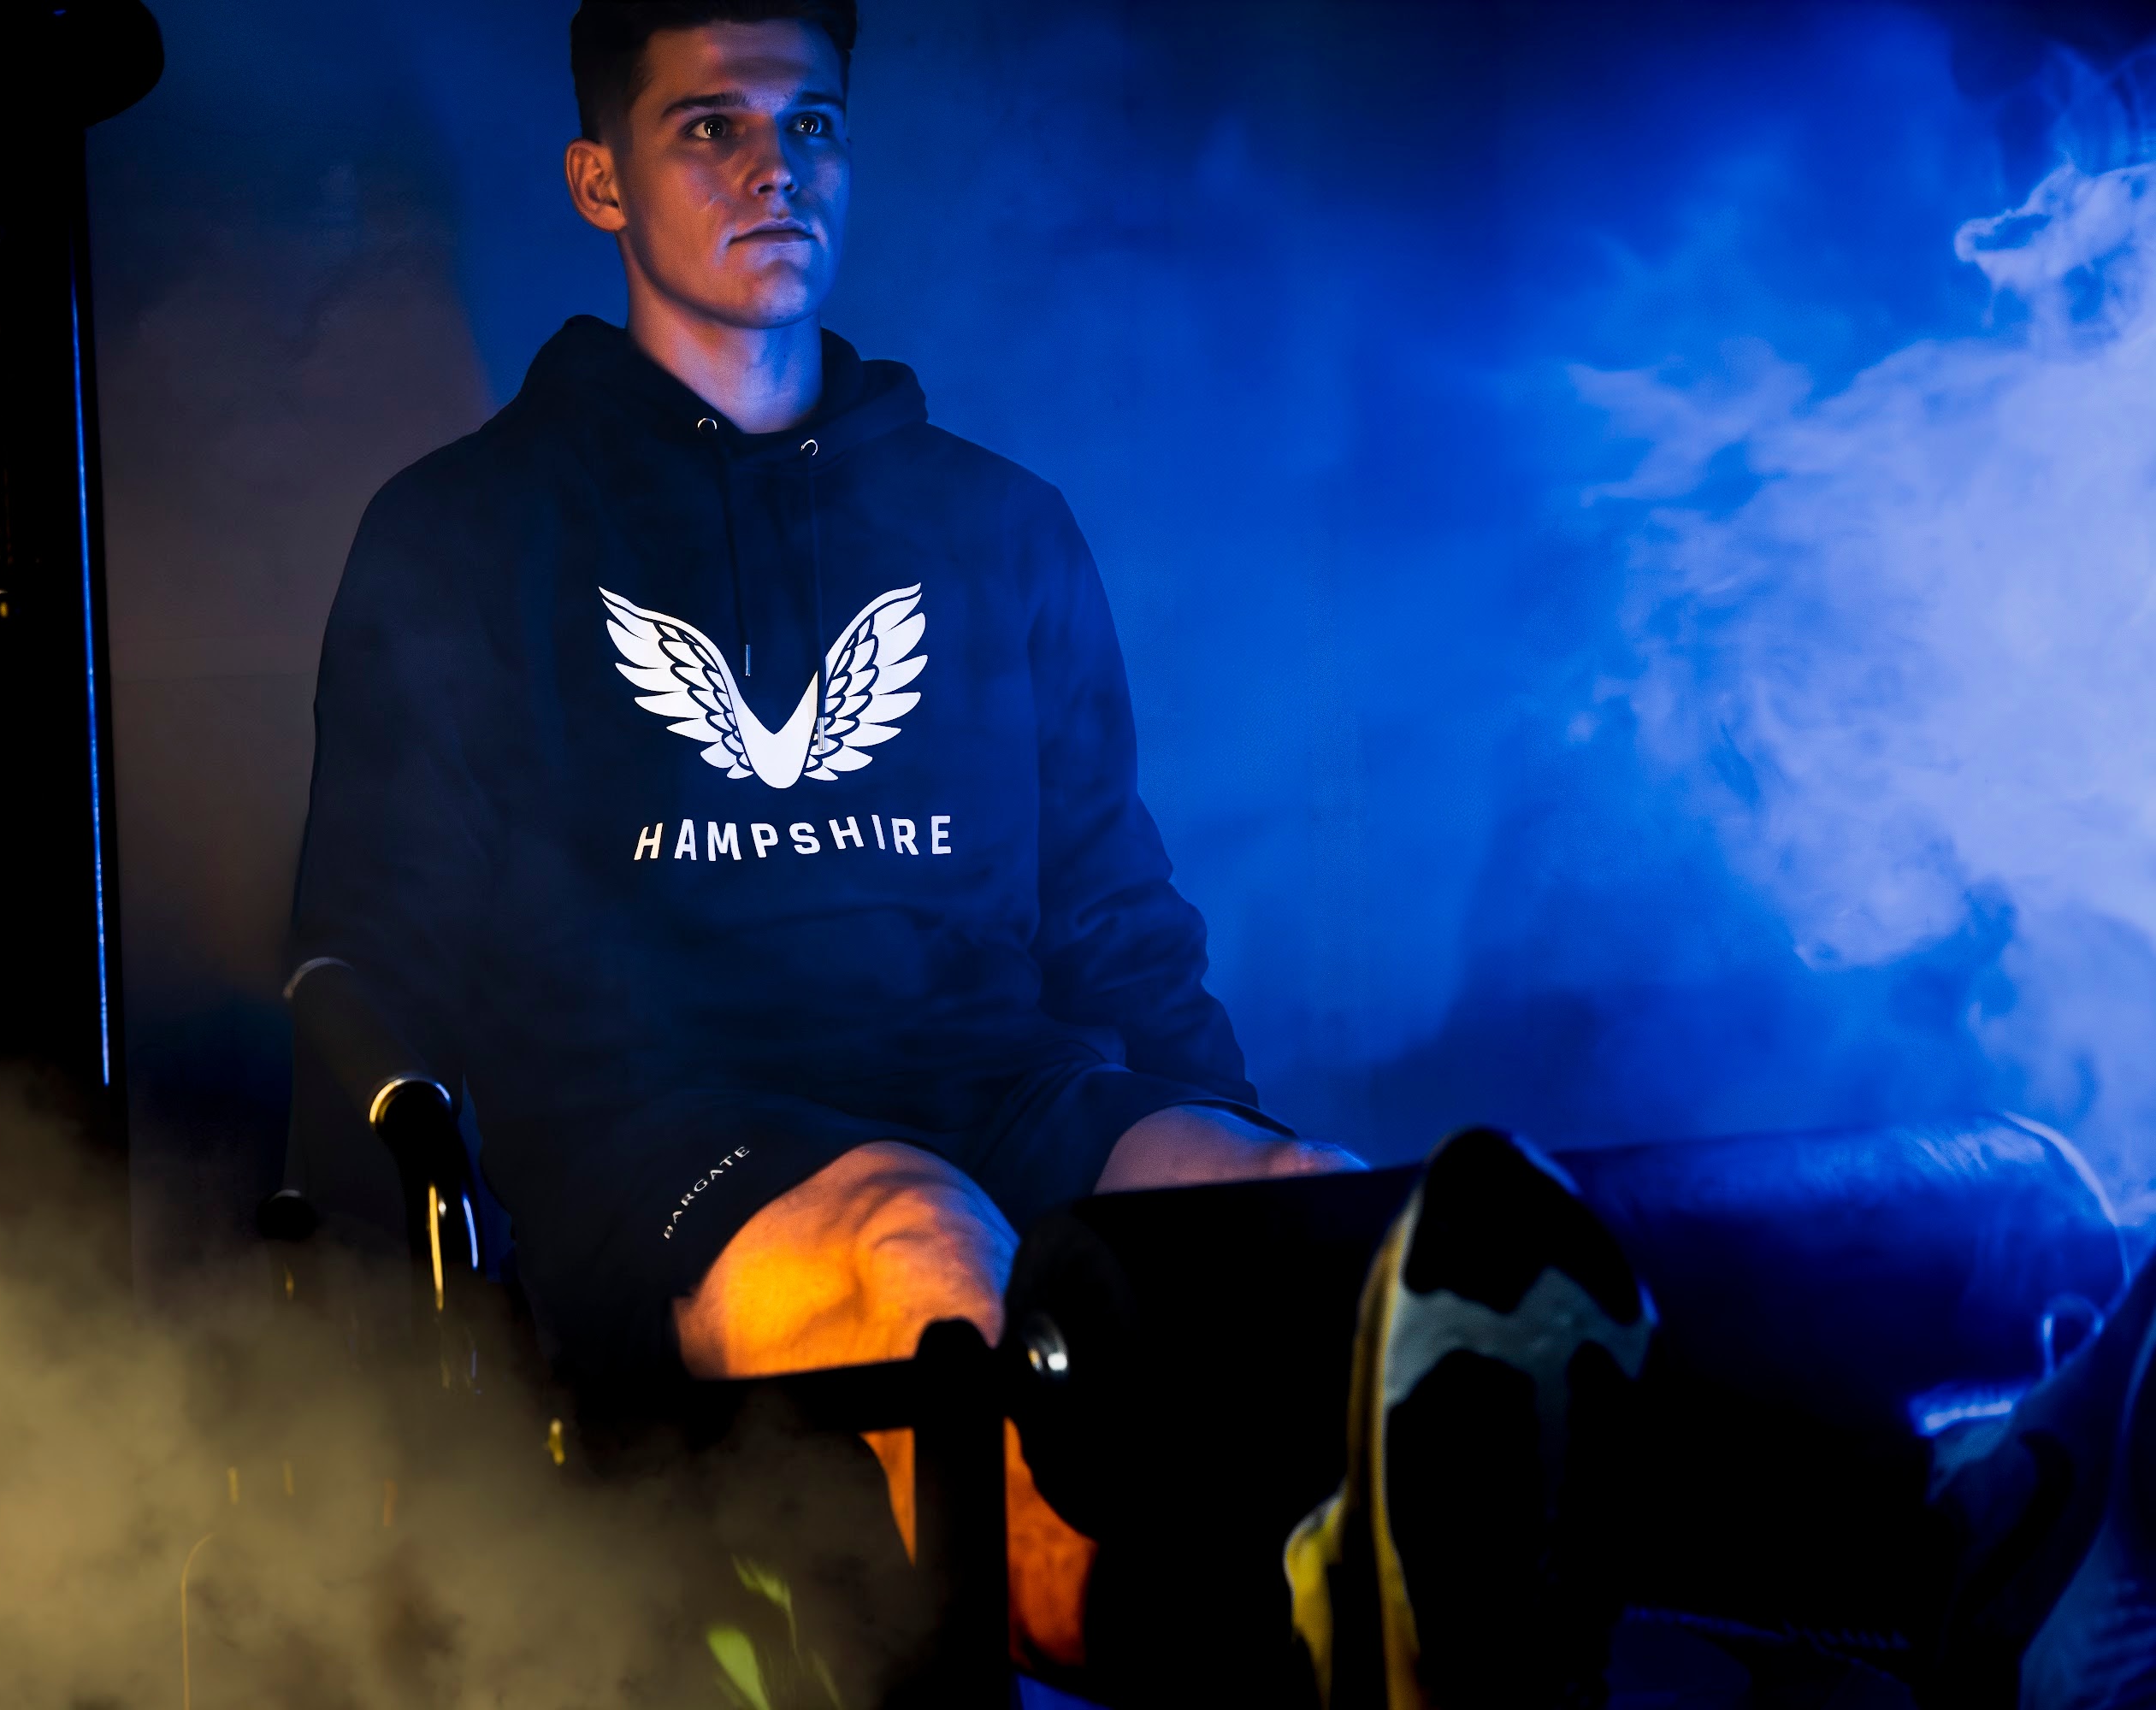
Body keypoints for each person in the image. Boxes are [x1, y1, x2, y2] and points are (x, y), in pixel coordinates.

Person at [289, 2, 2156, 1700]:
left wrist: (1240, 1214)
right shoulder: (470, 535)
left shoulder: (995, 525)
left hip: (997, 1075)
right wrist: (427, 1284)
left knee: (1340, 1217)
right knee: (934, 1253)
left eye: (815, 124)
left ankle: (1923, 1554)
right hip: (666, 1128)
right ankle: (1298, 1646)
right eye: (710, 126)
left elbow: (1114, 911)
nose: (776, 165)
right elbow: (368, 945)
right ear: (600, 180)